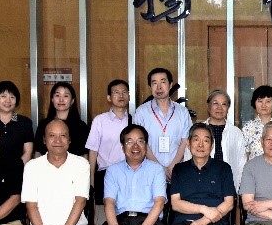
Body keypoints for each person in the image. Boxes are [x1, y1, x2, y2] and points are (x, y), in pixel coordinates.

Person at [133, 67, 193, 179]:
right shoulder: (141, 112)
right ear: (150, 87)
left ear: (170, 85)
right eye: (154, 83)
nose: (159, 87)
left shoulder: (182, 112)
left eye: (163, 82)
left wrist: (173, 166)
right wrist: (160, 168)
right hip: (149, 172)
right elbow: (141, 142)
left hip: (177, 171)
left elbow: (185, 141)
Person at [86, 79, 133, 207]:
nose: (121, 95)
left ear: (129, 96)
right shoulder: (100, 121)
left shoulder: (134, 120)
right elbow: (93, 152)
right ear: (109, 97)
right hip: (106, 174)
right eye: (116, 92)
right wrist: (91, 182)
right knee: (104, 213)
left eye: (124, 92)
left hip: (131, 174)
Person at [203, 90, 247, 187]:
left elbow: (242, 163)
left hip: (228, 185)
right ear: (208, 106)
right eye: (215, 103)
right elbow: (188, 158)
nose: (219, 108)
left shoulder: (236, 133)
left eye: (224, 104)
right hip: (202, 184)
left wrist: (239, 187)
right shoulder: (198, 130)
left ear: (228, 108)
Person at [34, 81, 90, 154]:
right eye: (57, 95)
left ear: (72, 101)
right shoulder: (43, 124)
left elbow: (84, 154)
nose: (61, 100)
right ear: (52, 99)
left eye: (66, 96)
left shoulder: (81, 126)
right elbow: (38, 152)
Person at [0, 80, 35, 163]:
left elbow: (28, 152)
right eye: (3, 96)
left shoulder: (25, 122)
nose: (8, 100)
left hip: (18, 169)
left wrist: (16, 168)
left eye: (12, 97)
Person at [241, 84, 272, 162]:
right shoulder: (247, 127)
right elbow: (244, 155)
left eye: (268, 101)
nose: (263, 105)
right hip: (254, 168)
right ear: (254, 103)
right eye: (260, 101)